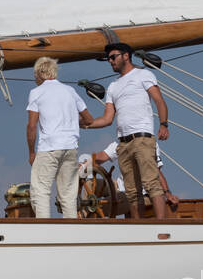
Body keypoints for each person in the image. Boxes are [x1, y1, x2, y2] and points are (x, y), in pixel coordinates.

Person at [84, 42, 171, 219]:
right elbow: (107, 119)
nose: (110, 61)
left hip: (142, 138)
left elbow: (159, 100)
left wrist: (164, 124)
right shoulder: (113, 87)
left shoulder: (143, 75)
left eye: (113, 57)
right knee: (131, 191)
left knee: (152, 184)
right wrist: (85, 124)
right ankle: (137, 229)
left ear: (126, 56)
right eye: (108, 58)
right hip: (123, 144)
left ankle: (162, 226)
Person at [26, 57, 94, 218]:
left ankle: (44, 229)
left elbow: (32, 126)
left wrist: (31, 153)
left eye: (35, 75)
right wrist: (71, 121)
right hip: (70, 147)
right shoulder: (70, 90)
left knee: (40, 191)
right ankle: (71, 228)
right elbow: (89, 119)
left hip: (49, 148)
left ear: (40, 73)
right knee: (68, 194)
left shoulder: (36, 92)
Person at [88, 141, 178, 216]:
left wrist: (167, 193)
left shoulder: (149, 143)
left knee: (95, 207)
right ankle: (85, 213)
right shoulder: (120, 143)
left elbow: (156, 172)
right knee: (90, 184)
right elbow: (100, 157)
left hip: (140, 195)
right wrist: (83, 165)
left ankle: (87, 219)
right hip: (119, 186)